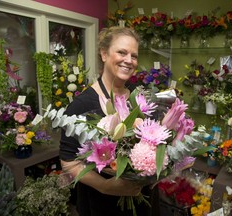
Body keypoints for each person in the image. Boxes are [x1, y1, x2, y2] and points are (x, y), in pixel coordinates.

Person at [59, 26, 159, 216]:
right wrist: (105, 186)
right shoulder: (81, 106)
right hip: (102, 203)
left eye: (134, 55)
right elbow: (68, 161)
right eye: (122, 52)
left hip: (143, 199)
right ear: (104, 54)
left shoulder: (140, 96)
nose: (129, 60)